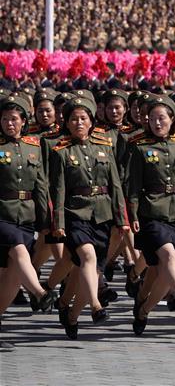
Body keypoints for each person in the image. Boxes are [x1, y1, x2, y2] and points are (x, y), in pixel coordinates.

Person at [49, 96, 129, 339]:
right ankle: (96, 305)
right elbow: (58, 191)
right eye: (74, 119)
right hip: (76, 213)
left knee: (87, 269)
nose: (79, 123)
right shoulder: (61, 151)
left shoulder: (104, 146)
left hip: (102, 214)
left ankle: (69, 311)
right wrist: (58, 224)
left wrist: (121, 218)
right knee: (88, 256)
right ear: (67, 122)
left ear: (92, 121)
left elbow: (115, 185)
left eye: (83, 118)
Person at [126, 95, 175, 334]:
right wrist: (132, 216)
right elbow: (132, 187)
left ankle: (143, 309)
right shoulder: (138, 146)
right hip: (152, 211)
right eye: (152, 119)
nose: (157, 123)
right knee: (170, 257)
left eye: (162, 118)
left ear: (172, 119)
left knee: (163, 274)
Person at [0, 95, 57, 349]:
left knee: (12, 276)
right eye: (4, 119)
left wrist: (45, 221)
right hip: (2, 213)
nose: (9, 123)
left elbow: (41, 185)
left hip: (26, 215)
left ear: (24, 121)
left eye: (14, 119)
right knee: (19, 251)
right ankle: (41, 293)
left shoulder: (33, 147)